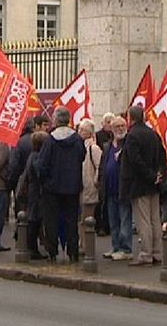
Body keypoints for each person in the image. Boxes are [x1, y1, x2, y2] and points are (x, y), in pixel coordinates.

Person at [37, 106, 86, 262]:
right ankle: (73, 252)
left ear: (56, 120)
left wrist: (44, 180)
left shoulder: (50, 140)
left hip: (52, 187)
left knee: (51, 220)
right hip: (72, 186)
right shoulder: (77, 139)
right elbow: (82, 156)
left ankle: (52, 252)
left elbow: (42, 164)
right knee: (72, 220)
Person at [120, 106, 166, 266]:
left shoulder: (132, 136)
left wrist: (151, 176)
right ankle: (158, 253)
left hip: (139, 183)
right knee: (155, 219)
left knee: (143, 221)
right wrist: (158, 175)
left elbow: (135, 160)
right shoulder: (153, 134)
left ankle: (146, 254)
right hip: (154, 183)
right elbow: (162, 156)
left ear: (130, 118)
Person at [99, 116, 133, 261]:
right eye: (117, 126)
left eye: (122, 126)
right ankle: (116, 246)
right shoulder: (108, 146)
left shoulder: (128, 144)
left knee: (124, 218)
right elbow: (103, 165)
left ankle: (126, 248)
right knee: (113, 220)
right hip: (110, 188)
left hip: (123, 188)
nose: (120, 129)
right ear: (112, 129)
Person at [77, 119, 102, 254]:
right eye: (79, 129)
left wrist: (95, 181)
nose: (80, 132)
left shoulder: (93, 148)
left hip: (89, 187)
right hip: (80, 187)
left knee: (87, 219)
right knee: (81, 219)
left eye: (83, 130)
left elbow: (99, 166)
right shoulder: (79, 146)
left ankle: (87, 246)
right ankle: (82, 244)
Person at [24, 131, 49, 260]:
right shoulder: (36, 157)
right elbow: (39, 172)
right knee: (34, 219)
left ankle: (32, 247)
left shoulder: (33, 155)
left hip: (34, 190)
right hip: (36, 191)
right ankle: (31, 248)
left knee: (35, 219)